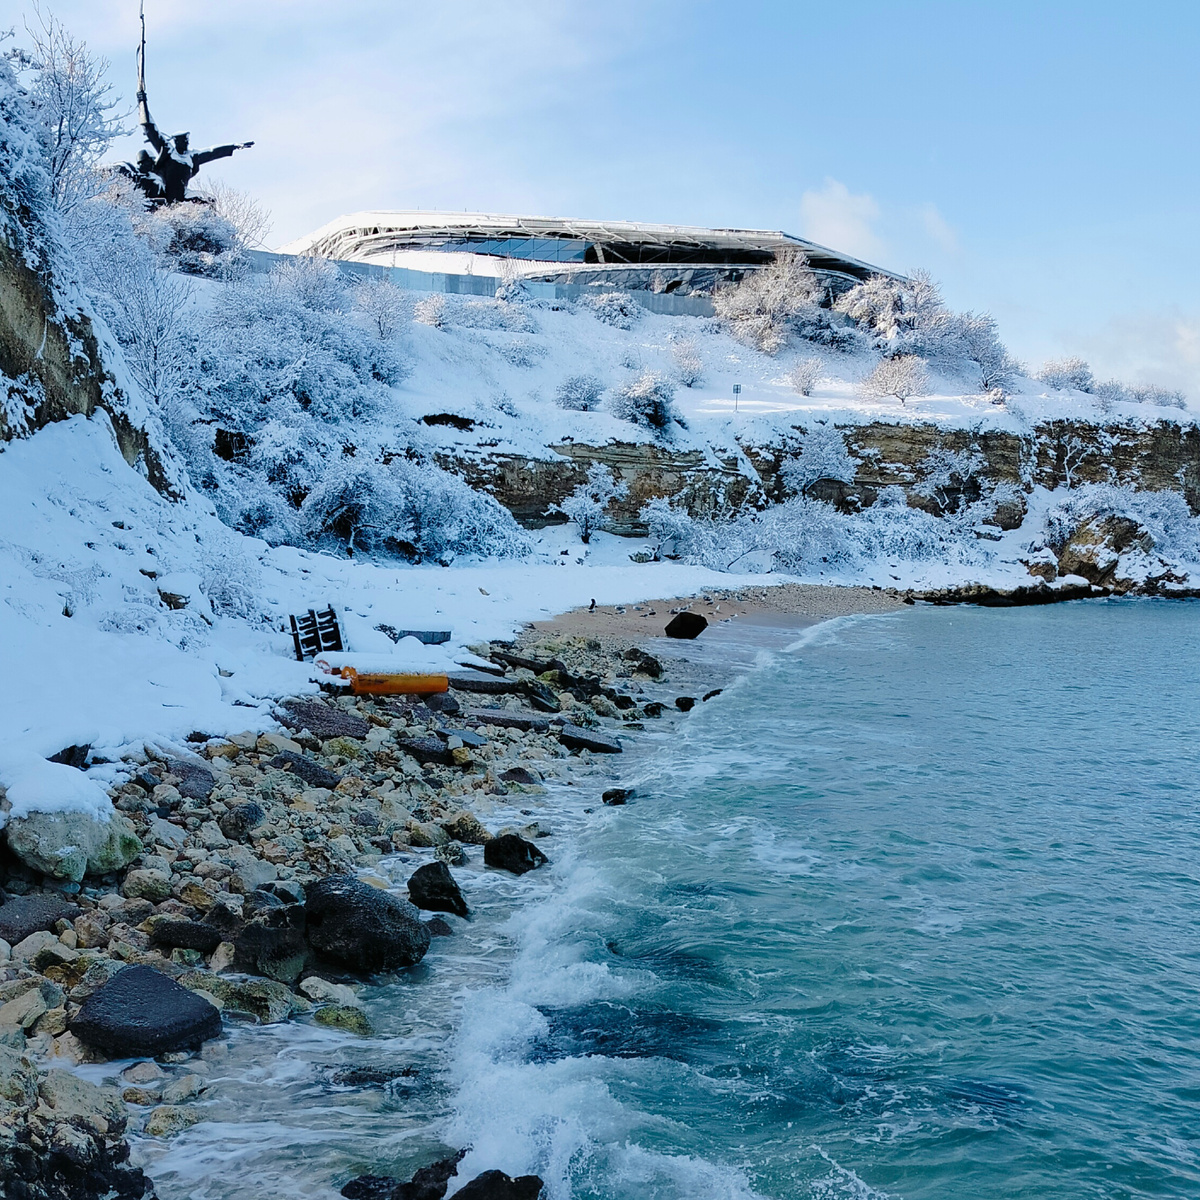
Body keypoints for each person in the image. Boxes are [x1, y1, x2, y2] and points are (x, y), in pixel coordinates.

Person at [136, 87, 253, 204]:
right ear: (176, 142)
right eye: (183, 141)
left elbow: (213, 152)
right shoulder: (169, 152)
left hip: (183, 196)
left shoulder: (192, 157)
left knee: (208, 200)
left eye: (186, 141)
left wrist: (234, 146)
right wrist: (142, 102)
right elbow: (151, 129)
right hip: (167, 196)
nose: (185, 143)